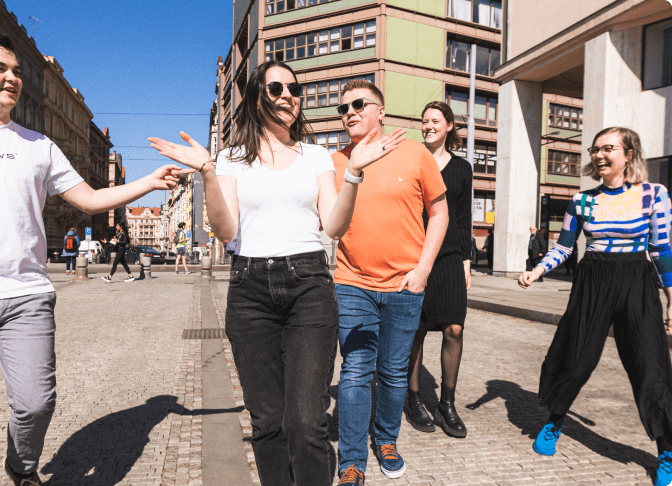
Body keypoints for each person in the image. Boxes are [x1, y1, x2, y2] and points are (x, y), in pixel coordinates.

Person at [148, 60, 405, 486]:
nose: (288, 94)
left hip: (309, 285)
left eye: (293, 88)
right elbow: (226, 229)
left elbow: (334, 226)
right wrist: (208, 173)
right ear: (256, 98)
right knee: (268, 422)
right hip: (250, 290)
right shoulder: (229, 159)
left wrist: (354, 174)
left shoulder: (316, 155)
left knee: (307, 422)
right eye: (275, 88)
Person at [0, 33, 179, 486]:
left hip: (26, 295)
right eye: (0, 68)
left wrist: (149, 181)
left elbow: (90, 199)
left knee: (35, 403)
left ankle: (21, 465)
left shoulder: (39, 144)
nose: (13, 77)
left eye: (16, 70)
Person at [518, 127, 672, 486]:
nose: (599, 155)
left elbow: (662, 250)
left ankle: (666, 449)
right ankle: (554, 423)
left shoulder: (654, 194)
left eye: (608, 148)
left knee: (650, 365)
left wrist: (670, 301)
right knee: (576, 357)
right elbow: (565, 247)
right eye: (595, 149)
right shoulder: (582, 200)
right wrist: (537, 270)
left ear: (628, 153)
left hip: (637, 280)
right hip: (593, 280)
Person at [331, 81, 449, 484]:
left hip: (404, 285)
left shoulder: (415, 154)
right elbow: (329, 223)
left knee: (395, 372)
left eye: (359, 104)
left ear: (381, 111)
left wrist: (423, 271)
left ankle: (385, 439)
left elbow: (440, 214)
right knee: (355, 371)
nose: (349, 111)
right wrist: (354, 168)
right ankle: (350, 461)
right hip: (352, 282)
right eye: (343, 107)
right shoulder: (336, 162)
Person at [405, 102, 472, 439]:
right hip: (413, 255)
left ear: (449, 125)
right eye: (424, 120)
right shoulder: (413, 160)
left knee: (455, 329)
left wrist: (466, 261)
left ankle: (447, 403)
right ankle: (413, 399)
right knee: (415, 330)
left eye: (434, 121)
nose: (428, 125)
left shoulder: (463, 169)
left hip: (449, 258)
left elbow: (462, 218)